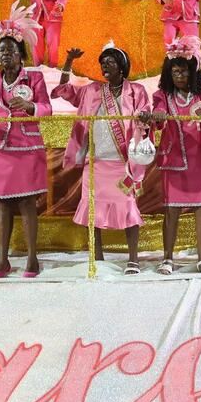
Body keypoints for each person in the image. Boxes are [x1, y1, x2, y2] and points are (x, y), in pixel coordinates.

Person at [0, 2, 51, 278]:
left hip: (26, 148)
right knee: (2, 205)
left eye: (10, 51)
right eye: (1, 51)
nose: (4, 55)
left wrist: (30, 108)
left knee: (27, 204)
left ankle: (32, 259)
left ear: (20, 54)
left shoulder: (34, 78)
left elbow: (46, 109)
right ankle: (2, 260)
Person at [54, 43, 152, 275]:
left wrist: (144, 118)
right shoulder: (92, 91)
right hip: (96, 161)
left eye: (110, 62)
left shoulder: (136, 90)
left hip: (123, 162)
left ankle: (133, 260)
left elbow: (146, 112)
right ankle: (97, 257)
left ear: (122, 66)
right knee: (93, 209)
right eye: (102, 63)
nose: (104, 66)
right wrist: (68, 63)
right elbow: (64, 91)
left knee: (128, 207)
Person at [147, 36, 201, 274]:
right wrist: (158, 117)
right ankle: (167, 259)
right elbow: (158, 112)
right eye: (175, 72)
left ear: (193, 72)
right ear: (169, 73)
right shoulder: (163, 95)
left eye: (184, 72)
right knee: (171, 210)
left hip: (199, 159)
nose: (180, 76)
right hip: (173, 159)